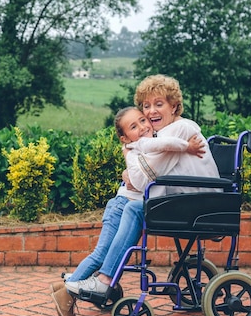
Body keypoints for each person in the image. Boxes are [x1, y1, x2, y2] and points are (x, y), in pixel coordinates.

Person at [64, 74, 220, 303]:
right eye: (146, 106)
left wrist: (128, 157)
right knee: (131, 206)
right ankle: (95, 278)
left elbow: (141, 179)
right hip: (189, 201)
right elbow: (142, 174)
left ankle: (105, 280)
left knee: (135, 209)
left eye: (159, 104)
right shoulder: (165, 132)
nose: (151, 112)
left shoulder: (178, 130)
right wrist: (131, 170)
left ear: (174, 106)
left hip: (198, 205)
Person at [50, 105, 205, 316]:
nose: (142, 127)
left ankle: (65, 287)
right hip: (122, 205)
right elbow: (161, 150)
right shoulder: (137, 148)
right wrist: (187, 147)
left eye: (143, 121)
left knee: (101, 254)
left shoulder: (143, 145)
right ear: (124, 138)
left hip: (124, 203)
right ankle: (67, 293)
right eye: (134, 126)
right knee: (100, 254)